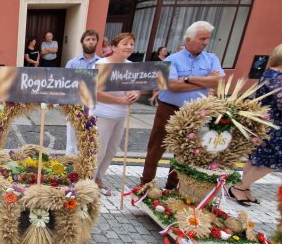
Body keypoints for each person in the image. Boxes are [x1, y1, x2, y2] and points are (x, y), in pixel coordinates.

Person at [140, 21, 225, 189]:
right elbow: (172, 85)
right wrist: (205, 81)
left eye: (207, 39)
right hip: (168, 109)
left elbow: (219, 81)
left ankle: (173, 185)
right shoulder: (172, 59)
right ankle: (146, 184)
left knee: (184, 151)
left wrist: (188, 78)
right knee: (157, 148)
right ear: (188, 39)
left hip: (195, 112)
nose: (205, 42)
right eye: (202, 38)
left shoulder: (211, 59)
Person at [229, 44, 282, 205]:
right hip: (275, 126)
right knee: (270, 162)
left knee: (256, 158)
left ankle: (245, 189)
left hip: (265, 123)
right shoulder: (278, 77)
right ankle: (239, 187)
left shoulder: (270, 73)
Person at [92, 33, 141, 196]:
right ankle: (89, 182)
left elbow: (135, 87)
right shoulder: (102, 64)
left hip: (121, 115)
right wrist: (119, 100)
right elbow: (95, 92)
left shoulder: (131, 66)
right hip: (102, 113)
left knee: (112, 150)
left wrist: (136, 93)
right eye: (125, 44)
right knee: (99, 150)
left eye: (132, 44)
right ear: (113, 47)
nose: (129, 47)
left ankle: (99, 179)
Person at [65, 29, 101, 155]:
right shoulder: (72, 63)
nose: (91, 42)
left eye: (93, 39)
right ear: (82, 42)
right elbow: (65, 83)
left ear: (97, 42)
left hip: (94, 106)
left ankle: (86, 166)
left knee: (90, 137)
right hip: (75, 104)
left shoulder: (102, 63)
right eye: (88, 39)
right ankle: (70, 165)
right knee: (72, 139)